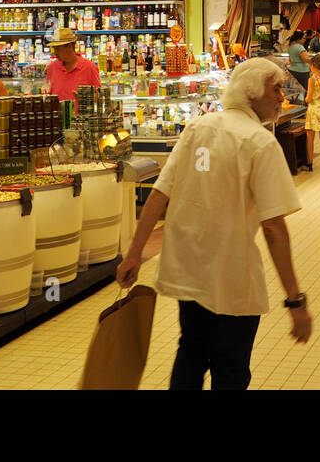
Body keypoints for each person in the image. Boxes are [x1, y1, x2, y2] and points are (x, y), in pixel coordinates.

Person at [116, 58, 310, 389]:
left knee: (190, 352)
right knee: (230, 369)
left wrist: (134, 254)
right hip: (232, 278)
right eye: (275, 88)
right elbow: (274, 228)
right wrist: (295, 301)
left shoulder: (198, 128)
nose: (281, 96)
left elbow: (159, 194)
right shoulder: (259, 142)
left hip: (189, 269)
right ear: (251, 92)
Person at [45, 28, 101, 105]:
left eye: (58, 49)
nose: (55, 53)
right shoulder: (52, 67)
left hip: (81, 116)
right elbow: (48, 93)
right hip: (58, 116)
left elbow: (99, 96)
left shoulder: (89, 67)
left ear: (69, 46)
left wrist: (85, 99)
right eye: (54, 49)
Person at [286, 30, 310, 94]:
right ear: (299, 39)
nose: (305, 40)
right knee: (305, 90)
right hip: (302, 71)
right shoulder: (300, 47)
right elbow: (305, 59)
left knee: (295, 90)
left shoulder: (290, 47)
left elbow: (290, 60)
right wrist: (313, 60)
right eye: (304, 38)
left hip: (292, 70)